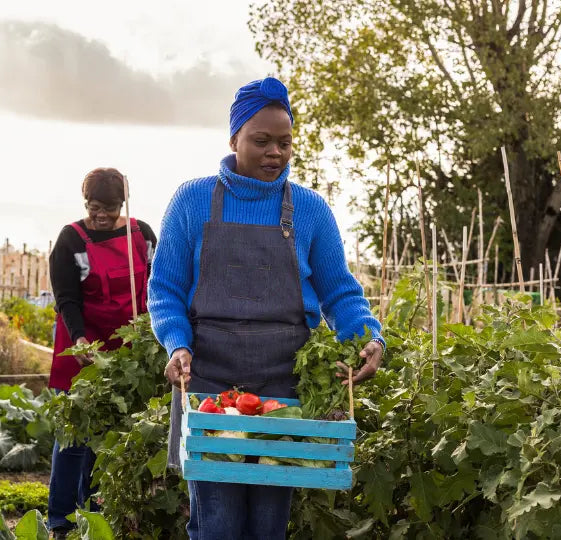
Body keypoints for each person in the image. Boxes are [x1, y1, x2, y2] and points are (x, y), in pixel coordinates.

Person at [148, 77, 385, 540]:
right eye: (261, 141)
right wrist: (176, 345)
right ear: (234, 137)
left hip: (283, 389)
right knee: (217, 521)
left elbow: (339, 291)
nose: (275, 152)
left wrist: (368, 337)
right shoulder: (193, 200)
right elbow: (166, 289)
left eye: (284, 142)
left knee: (268, 523)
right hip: (211, 388)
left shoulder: (311, 210)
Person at [46, 167, 156, 536]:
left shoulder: (141, 236)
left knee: (111, 442)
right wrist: (79, 339)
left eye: (109, 208)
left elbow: (157, 287)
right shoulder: (71, 240)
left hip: (127, 356)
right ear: (85, 203)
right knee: (73, 440)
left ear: (122, 204)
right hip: (83, 350)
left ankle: (98, 519)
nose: (102, 215)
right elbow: (66, 299)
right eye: (95, 207)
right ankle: (60, 522)